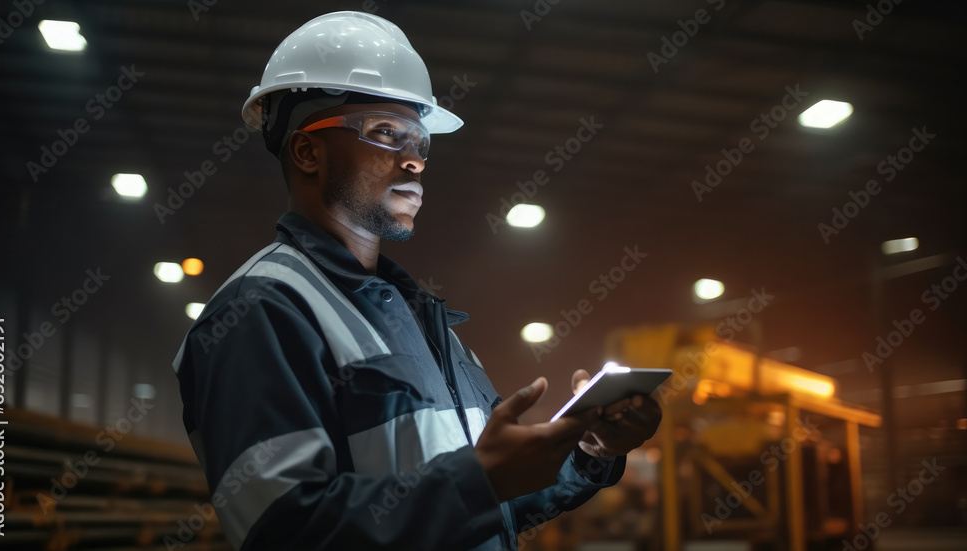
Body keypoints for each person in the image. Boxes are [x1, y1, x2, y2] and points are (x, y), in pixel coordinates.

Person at [172, 11, 662, 551]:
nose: (414, 163)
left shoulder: (422, 322)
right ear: (308, 151)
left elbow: (497, 507)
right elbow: (283, 532)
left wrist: (589, 449)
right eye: (385, 134)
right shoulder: (260, 311)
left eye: (419, 143)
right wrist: (478, 481)